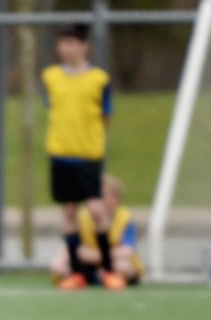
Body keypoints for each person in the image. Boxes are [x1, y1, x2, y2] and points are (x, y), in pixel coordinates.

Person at [42, 23, 123, 291]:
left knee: (97, 211)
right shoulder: (51, 77)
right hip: (60, 156)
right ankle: (78, 273)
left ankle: (109, 269)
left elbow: (106, 116)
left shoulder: (99, 79)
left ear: (84, 46)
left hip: (88, 156)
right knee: (68, 213)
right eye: (62, 42)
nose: (66, 48)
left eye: (71, 42)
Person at [50, 175, 144, 286]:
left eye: (100, 197)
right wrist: (78, 254)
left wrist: (97, 256)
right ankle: (85, 277)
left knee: (123, 266)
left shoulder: (125, 219)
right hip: (88, 262)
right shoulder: (82, 217)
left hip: (112, 260)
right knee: (58, 265)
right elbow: (73, 247)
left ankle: (108, 276)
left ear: (116, 199)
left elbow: (128, 251)